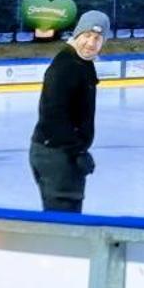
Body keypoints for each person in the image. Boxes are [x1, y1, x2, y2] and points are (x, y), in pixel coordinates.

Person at [30, 12, 106, 213]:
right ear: (77, 34)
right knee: (64, 221)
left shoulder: (82, 63)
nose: (91, 43)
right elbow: (54, 115)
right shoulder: (65, 66)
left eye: (97, 39)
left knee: (67, 216)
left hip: (62, 153)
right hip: (56, 155)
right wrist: (77, 151)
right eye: (87, 36)